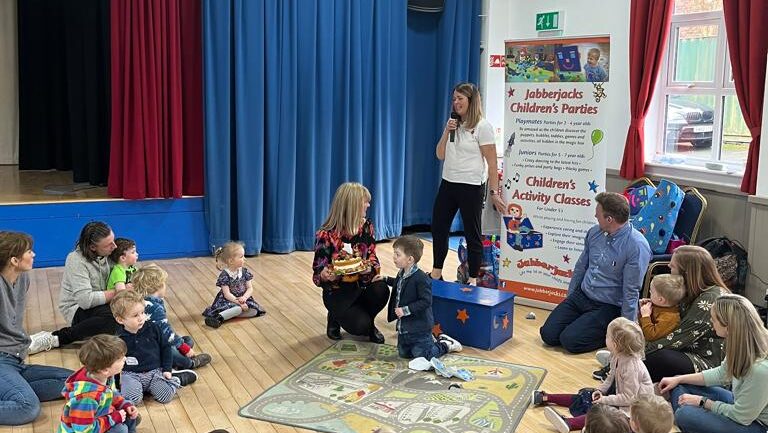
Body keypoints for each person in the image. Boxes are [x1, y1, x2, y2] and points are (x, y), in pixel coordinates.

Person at [540, 192, 651, 353]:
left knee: (570, 341)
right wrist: (570, 298)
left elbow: (631, 290)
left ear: (609, 219)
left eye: (598, 214)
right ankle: (584, 324)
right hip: (582, 295)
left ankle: (607, 334)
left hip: (607, 305)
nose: (595, 216)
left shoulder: (637, 246)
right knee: (548, 335)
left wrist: (623, 331)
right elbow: (580, 268)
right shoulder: (594, 232)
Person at [430, 82, 506, 286]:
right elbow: (440, 154)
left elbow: (491, 164)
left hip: (471, 186)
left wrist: (494, 193)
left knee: (472, 233)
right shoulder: (453, 124)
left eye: (460, 99)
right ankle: (436, 272)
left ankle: (472, 278)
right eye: (454, 99)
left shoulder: (483, 127)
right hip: (448, 184)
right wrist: (447, 131)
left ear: (471, 101)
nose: (455, 103)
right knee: (439, 228)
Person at [659, 294, 768, 433]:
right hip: (739, 404)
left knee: (684, 415)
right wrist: (678, 378)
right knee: (680, 385)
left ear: (728, 327)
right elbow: (721, 374)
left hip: (755, 424)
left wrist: (703, 402)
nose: (711, 321)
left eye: (714, 319)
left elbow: (741, 417)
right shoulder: (739, 343)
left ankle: (693, 420)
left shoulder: (760, 369)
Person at [0, 231, 72, 425]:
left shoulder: (23, 279)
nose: (34, 255)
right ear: (14, 260)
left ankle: (11, 388)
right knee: (27, 407)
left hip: (15, 359)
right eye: (29, 251)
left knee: (75, 382)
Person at [533, 317, 654, 432]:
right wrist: (600, 391)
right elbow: (611, 376)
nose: (605, 338)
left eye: (607, 336)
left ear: (615, 345)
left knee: (605, 416)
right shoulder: (617, 356)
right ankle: (546, 397)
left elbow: (629, 398)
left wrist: (605, 400)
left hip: (633, 410)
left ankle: (569, 423)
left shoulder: (632, 367)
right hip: (619, 395)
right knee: (587, 396)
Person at [312, 182, 389, 343]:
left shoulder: (367, 227)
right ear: (352, 205)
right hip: (338, 292)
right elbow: (318, 272)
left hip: (361, 286)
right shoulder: (325, 234)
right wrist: (325, 275)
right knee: (360, 327)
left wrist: (369, 269)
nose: (368, 205)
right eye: (365, 201)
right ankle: (335, 316)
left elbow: (373, 258)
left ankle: (369, 322)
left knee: (381, 290)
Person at [29, 221, 120, 355]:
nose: (115, 246)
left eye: (113, 240)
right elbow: (85, 300)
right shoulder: (76, 260)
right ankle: (56, 338)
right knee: (113, 318)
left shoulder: (111, 252)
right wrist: (119, 292)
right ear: (93, 247)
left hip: (106, 304)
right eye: (109, 244)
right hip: (77, 308)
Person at [640, 245, 729, 382]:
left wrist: (637, 352)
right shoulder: (693, 290)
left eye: (672, 267)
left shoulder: (710, 299)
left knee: (660, 358)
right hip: (686, 349)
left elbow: (676, 339)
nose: (669, 270)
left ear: (687, 272)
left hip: (707, 361)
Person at [373, 236, 462, 359]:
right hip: (404, 327)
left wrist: (405, 310)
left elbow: (426, 301)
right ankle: (426, 344)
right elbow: (401, 285)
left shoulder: (421, 279)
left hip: (419, 327)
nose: (394, 257)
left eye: (397, 254)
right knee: (404, 354)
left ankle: (445, 345)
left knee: (423, 356)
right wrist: (385, 279)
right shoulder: (402, 272)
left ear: (410, 259)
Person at [111, 290, 196, 405]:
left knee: (165, 396)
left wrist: (166, 369)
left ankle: (176, 378)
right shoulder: (118, 338)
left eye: (142, 313)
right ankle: (142, 388)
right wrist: (116, 384)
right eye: (135, 315)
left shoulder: (153, 328)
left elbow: (166, 348)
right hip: (131, 374)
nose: (141, 318)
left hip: (155, 371)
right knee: (131, 400)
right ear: (120, 319)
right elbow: (114, 362)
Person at [595, 274, 685, 371]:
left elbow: (651, 335)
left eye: (652, 293)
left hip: (651, 348)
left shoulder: (670, 318)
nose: (649, 293)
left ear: (661, 299)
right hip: (643, 342)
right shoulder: (659, 306)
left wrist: (646, 315)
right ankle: (615, 359)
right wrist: (641, 311)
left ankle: (616, 364)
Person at [132, 264, 212, 370]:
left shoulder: (139, 301)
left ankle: (171, 361)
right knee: (174, 349)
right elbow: (166, 333)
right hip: (152, 347)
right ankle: (190, 363)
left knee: (187, 340)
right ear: (158, 286)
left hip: (146, 344)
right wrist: (185, 349)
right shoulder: (155, 308)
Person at [59, 334, 139, 433]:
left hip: (101, 416)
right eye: (120, 359)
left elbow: (112, 394)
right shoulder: (86, 399)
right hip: (86, 428)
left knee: (130, 414)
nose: (125, 359)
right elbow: (84, 430)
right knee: (120, 430)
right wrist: (113, 419)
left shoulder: (104, 375)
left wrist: (124, 405)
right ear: (105, 370)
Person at [202, 242, 266, 328]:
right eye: (241, 257)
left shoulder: (244, 272)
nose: (244, 259)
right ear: (231, 261)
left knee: (255, 311)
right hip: (229, 300)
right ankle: (219, 318)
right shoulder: (225, 275)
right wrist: (238, 302)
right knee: (238, 308)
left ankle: (230, 314)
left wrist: (244, 298)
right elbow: (227, 294)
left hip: (243, 299)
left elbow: (250, 288)